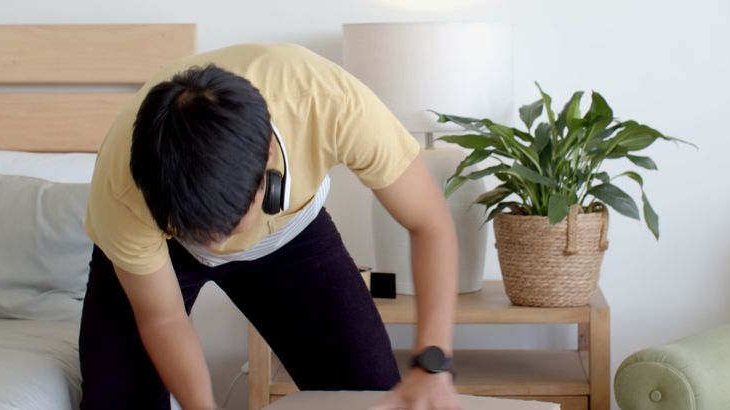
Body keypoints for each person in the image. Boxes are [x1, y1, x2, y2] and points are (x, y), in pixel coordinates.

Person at [79, 43, 461, 410]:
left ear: (268, 168)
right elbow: (163, 319)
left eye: (228, 226)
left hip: (289, 234)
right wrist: (202, 405)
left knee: (369, 395)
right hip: (160, 257)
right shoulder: (122, 190)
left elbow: (430, 224)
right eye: (199, 234)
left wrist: (432, 361)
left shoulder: (328, 103)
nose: (216, 248)